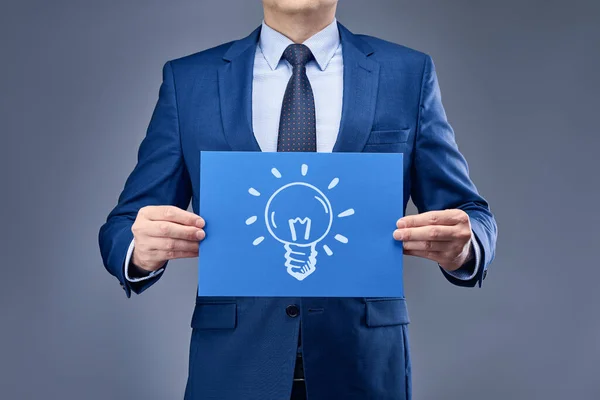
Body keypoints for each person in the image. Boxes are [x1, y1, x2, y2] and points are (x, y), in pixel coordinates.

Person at [98, 0, 498, 399]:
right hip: (234, 369)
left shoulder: (407, 74)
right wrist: (138, 247)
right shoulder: (189, 80)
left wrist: (466, 244)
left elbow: (472, 214)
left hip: (364, 369)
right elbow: (123, 224)